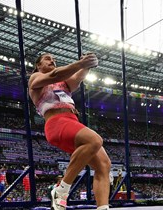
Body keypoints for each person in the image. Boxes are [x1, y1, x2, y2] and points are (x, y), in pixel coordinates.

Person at [28, 52, 111, 210]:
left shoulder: (64, 83)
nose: (52, 60)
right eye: (47, 59)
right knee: (95, 140)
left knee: (104, 164)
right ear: (38, 65)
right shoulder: (36, 78)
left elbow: (78, 77)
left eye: (54, 59)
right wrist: (80, 64)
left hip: (72, 122)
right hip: (56, 123)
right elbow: (55, 75)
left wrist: (87, 64)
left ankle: (103, 207)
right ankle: (61, 189)